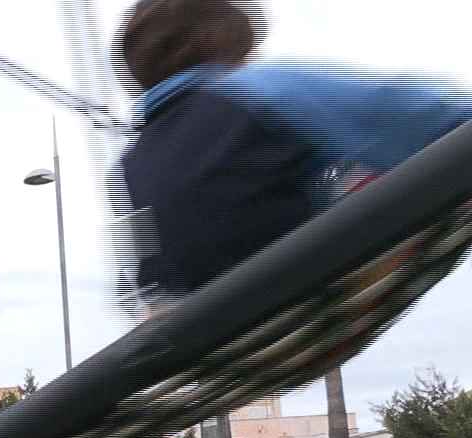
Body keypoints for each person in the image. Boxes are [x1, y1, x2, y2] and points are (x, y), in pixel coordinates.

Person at [115, 0, 472, 306]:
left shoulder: (128, 164)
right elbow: (410, 111)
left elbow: (146, 270)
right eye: (243, 56)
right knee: (366, 160)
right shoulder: (248, 90)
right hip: (301, 284)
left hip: (204, 331)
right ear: (217, 42)